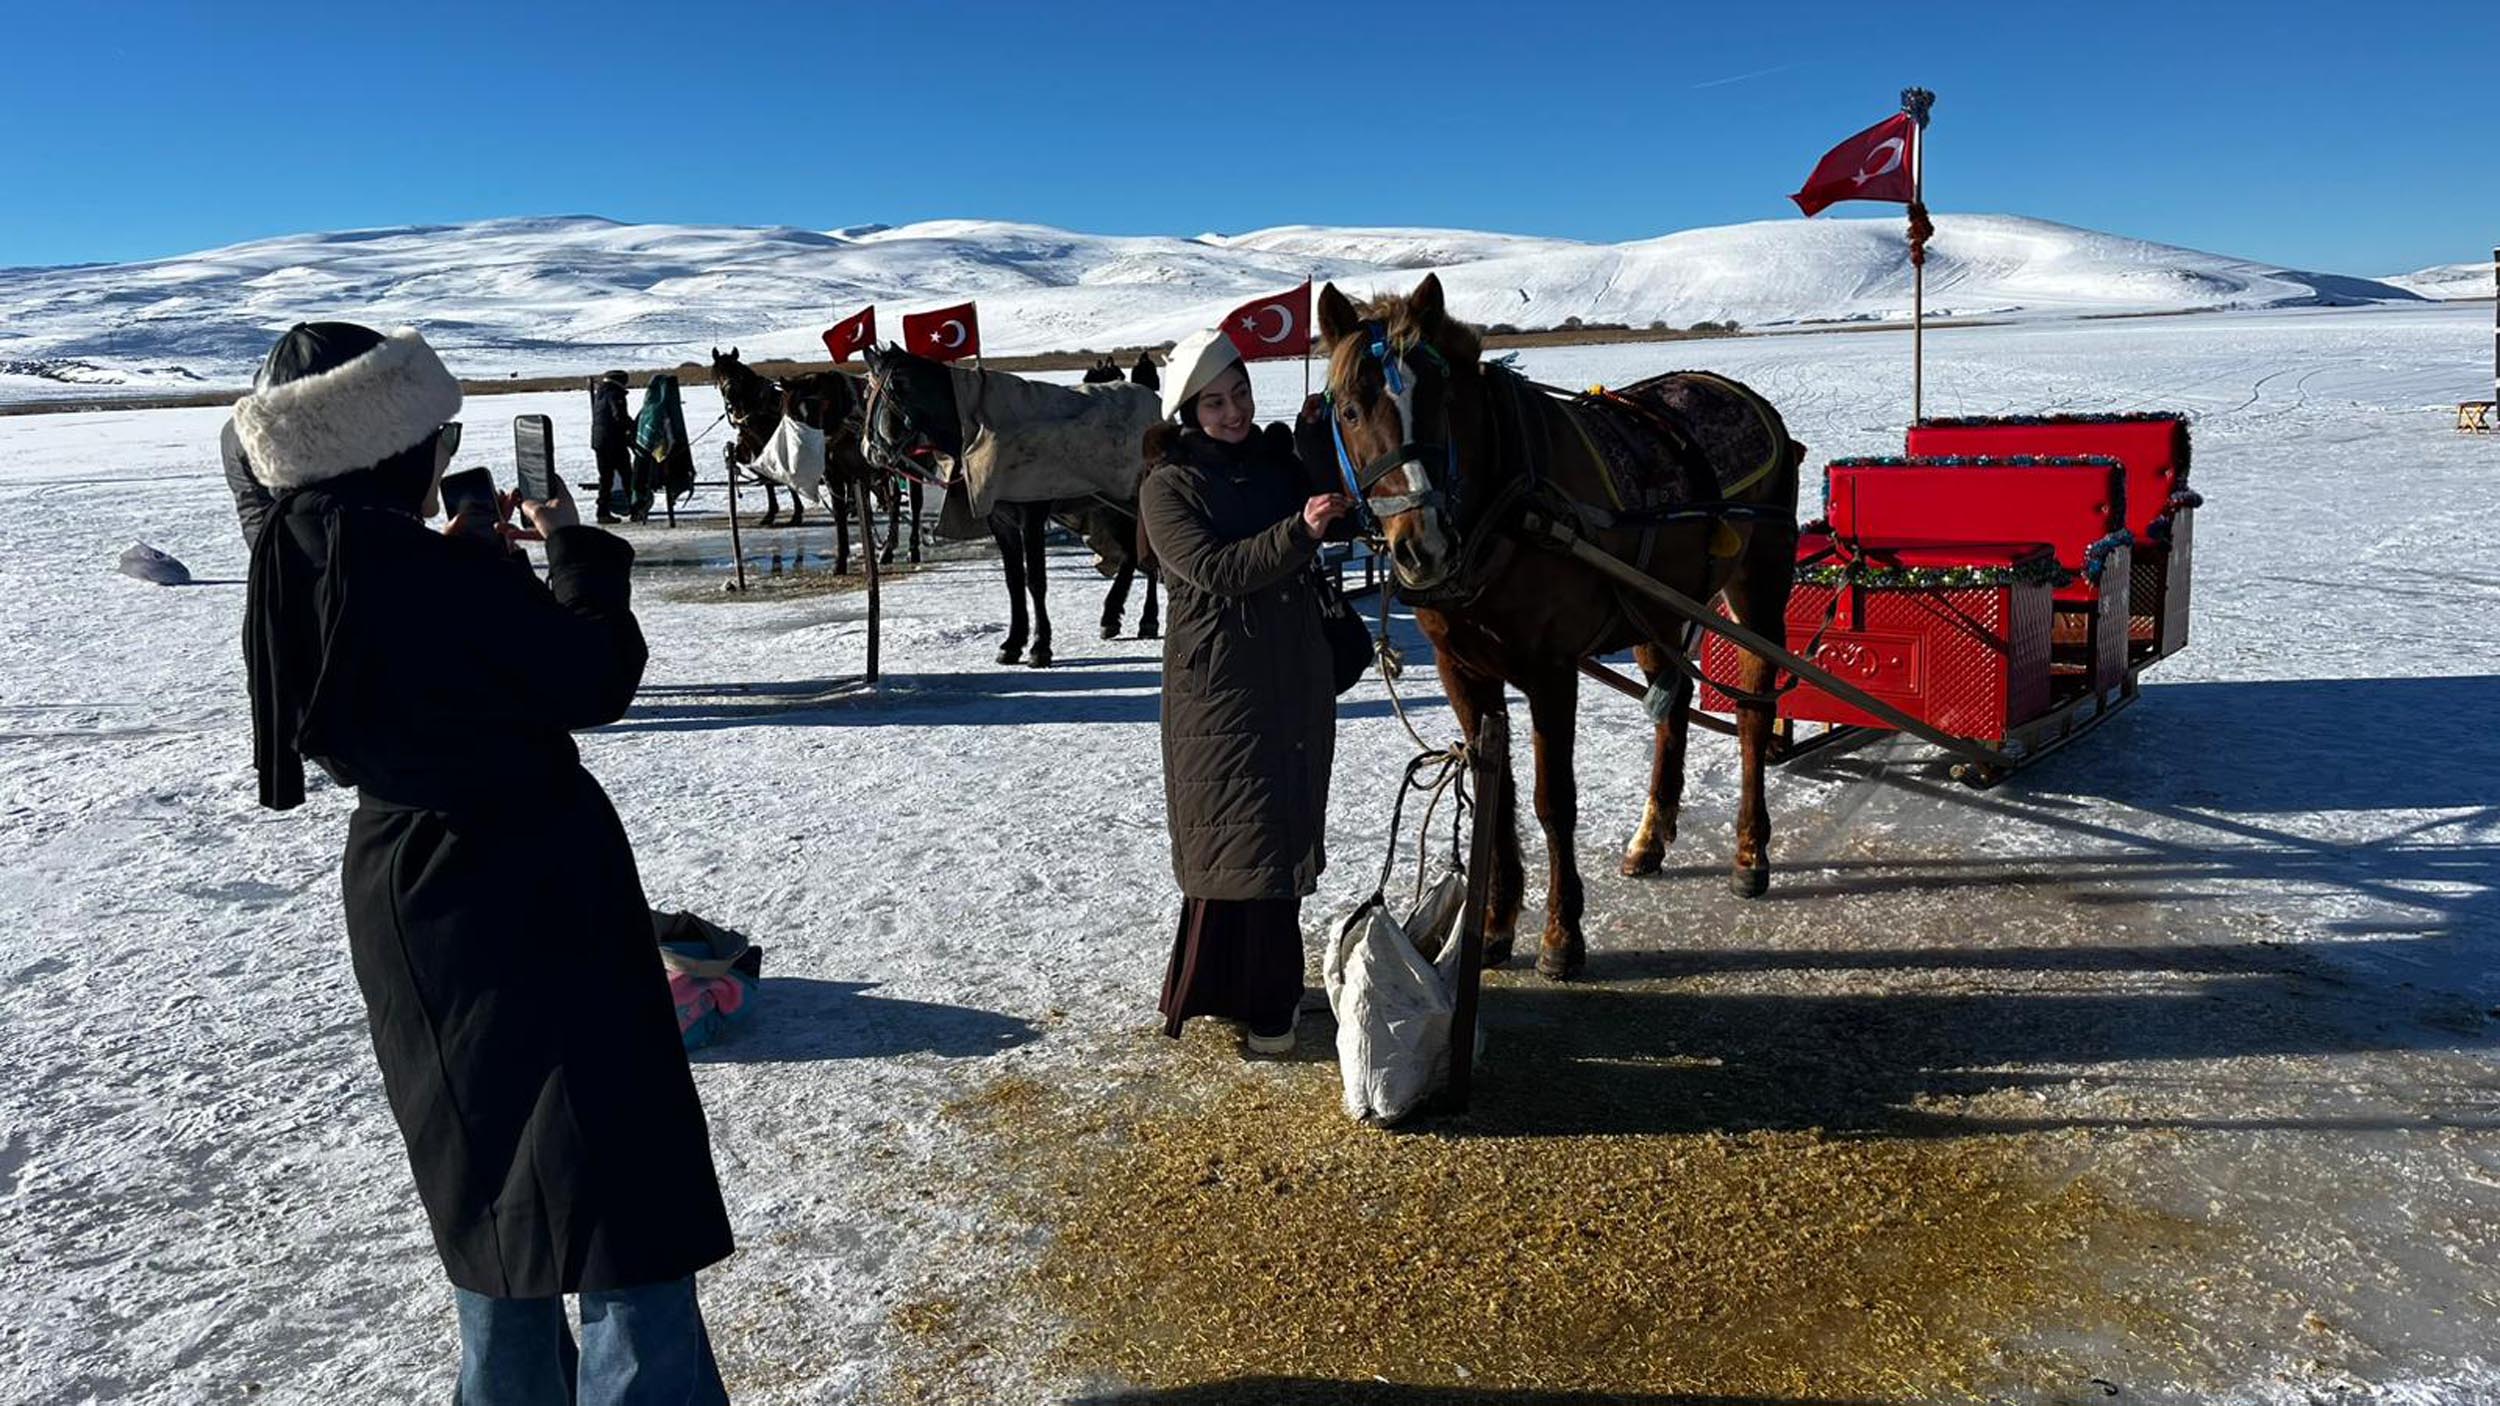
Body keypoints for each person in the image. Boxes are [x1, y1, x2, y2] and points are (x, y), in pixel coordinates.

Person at [236, 322, 733, 1404]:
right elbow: (591, 675)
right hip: (528, 871)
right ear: (390, 442)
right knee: (619, 1185)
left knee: (489, 1179)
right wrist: (573, 558)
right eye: (434, 431)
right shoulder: (426, 571)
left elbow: (408, 641)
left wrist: (464, 561)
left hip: (408, 887)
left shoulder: (292, 548)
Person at [1139, 328, 1354, 1056]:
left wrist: (1324, 445)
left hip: (1293, 673)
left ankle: (1263, 992)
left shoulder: (1275, 465)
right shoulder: (1166, 487)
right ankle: (1265, 1014)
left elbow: (1339, 501)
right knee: (1243, 841)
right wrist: (1299, 531)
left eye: (1240, 395)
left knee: (1282, 832)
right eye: (1215, 404)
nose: (1233, 414)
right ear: (1187, 413)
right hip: (1221, 690)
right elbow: (1216, 569)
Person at [588, 370, 633, 524]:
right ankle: (635, 509)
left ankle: (602, 512)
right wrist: (632, 427)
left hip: (599, 441)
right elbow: (619, 416)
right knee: (627, 475)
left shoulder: (600, 393)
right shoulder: (615, 393)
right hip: (613, 440)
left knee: (606, 478)